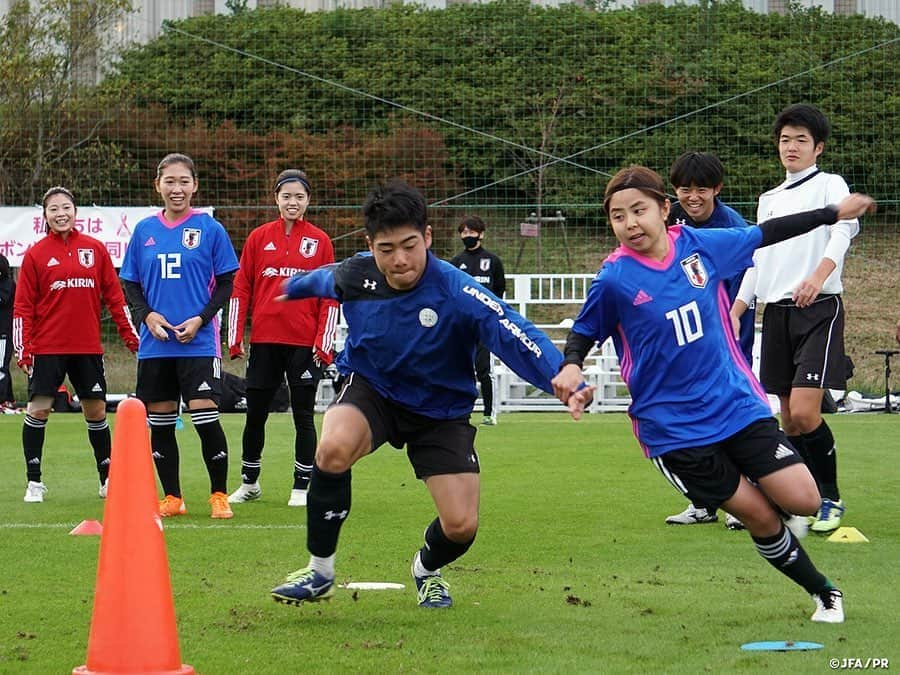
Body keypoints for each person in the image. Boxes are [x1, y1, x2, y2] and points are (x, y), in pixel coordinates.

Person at [552, 165, 874, 624]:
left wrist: (830, 213)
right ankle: (825, 593)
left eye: (639, 210)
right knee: (762, 519)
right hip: (675, 430)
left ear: (666, 209)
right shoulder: (614, 279)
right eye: (618, 216)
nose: (630, 224)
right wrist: (569, 368)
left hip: (735, 404)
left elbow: (766, 233)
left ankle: (763, 485)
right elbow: (583, 332)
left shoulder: (700, 247)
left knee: (804, 499)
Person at [269, 179, 588, 609]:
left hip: (440, 410)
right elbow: (324, 280)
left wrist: (560, 374)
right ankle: (320, 571)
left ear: (429, 238)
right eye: (386, 249)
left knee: (460, 526)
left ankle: (426, 570)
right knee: (332, 447)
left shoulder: (459, 291)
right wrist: (291, 288)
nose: (399, 260)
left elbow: (514, 332)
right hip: (373, 390)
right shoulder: (357, 273)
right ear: (370, 244)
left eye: (409, 245)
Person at [733, 104, 859, 534]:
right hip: (777, 314)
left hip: (819, 308)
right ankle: (796, 497)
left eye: (801, 140)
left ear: (817, 147)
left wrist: (817, 276)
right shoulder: (769, 199)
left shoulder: (830, 184)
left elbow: (844, 231)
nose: (791, 146)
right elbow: (757, 259)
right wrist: (737, 309)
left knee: (806, 413)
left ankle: (831, 498)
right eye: (785, 139)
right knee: (787, 418)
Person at [120, 153, 240, 519]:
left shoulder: (210, 229)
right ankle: (172, 497)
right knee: (160, 423)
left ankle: (219, 495)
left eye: (183, 181)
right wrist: (148, 315)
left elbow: (226, 284)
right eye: (169, 181)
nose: (177, 188)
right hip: (156, 345)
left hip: (198, 343)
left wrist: (201, 319)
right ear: (158, 185)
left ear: (195, 186)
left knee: (206, 419)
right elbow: (130, 283)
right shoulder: (144, 231)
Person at [12, 186, 139, 503]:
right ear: (45, 216)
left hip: (87, 348)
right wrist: (23, 347)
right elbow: (23, 307)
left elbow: (115, 298)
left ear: (75, 211)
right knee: (38, 411)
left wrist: (130, 337)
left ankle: (107, 479)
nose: (60, 213)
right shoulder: (35, 255)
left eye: (65, 207)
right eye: (53, 209)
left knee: (95, 412)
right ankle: (34, 482)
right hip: (47, 349)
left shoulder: (95, 249)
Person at [227, 169, 339, 508]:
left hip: (303, 345)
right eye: (287, 196)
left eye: (299, 196)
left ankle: (302, 486)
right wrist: (235, 336)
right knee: (255, 413)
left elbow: (330, 295)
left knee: (303, 416)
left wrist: (324, 341)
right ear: (276, 198)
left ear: (308, 201)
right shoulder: (259, 238)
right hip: (265, 341)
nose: (293, 202)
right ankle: (249, 482)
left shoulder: (320, 241)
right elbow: (241, 287)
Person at [663, 152, 753, 530]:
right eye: (685, 188)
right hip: (684, 336)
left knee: (728, 417)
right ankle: (702, 501)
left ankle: (741, 502)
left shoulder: (730, 225)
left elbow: (753, 270)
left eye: (701, 189)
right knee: (686, 417)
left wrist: (733, 313)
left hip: (725, 335)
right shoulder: (670, 220)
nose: (693, 196)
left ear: (717, 189)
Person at [449, 215, 506, 425]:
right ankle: (462, 411)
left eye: (471, 232)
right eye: (464, 232)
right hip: (463, 324)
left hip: (485, 324)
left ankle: (490, 413)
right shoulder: (456, 262)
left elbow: (499, 291)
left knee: (484, 369)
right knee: (461, 368)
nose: (467, 236)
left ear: (481, 234)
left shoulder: (492, 261)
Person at [0, 254, 16, 411]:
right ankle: (9, 398)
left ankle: (3, 400)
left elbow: (2, 300)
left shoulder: (8, 285)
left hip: (3, 333)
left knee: (0, 367)